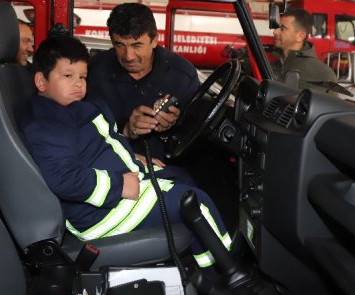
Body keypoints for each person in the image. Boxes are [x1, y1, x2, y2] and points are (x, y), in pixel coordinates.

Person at [18, 37, 230, 269]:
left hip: (116, 195)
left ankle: (193, 267)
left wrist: (131, 158)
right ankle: (224, 272)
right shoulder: (48, 120)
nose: (78, 84)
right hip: (104, 213)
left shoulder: (66, 108)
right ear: (41, 81)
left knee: (181, 177)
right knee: (197, 204)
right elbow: (63, 177)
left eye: (82, 77)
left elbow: (98, 143)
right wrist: (119, 185)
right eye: (68, 76)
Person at [87, 3, 200, 161]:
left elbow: (196, 138)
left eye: (137, 45)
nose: (128, 56)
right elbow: (83, 133)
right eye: (120, 45)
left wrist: (169, 130)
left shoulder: (182, 75)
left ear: (154, 40)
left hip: (168, 170)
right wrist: (125, 131)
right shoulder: (96, 72)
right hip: (112, 167)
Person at [272, 7, 337, 89]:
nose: (275, 32)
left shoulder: (324, 74)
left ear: (300, 36)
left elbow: (330, 101)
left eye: (282, 28)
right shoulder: (270, 64)